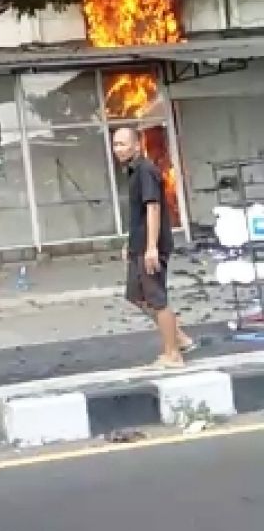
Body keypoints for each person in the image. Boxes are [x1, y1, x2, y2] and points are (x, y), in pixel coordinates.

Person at [111, 127, 197, 368]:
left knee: (157, 298)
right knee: (136, 295)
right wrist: (130, 244)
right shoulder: (133, 171)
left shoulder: (146, 170)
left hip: (152, 245)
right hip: (138, 244)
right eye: (115, 144)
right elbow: (138, 215)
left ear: (137, 145)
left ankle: (173, 354)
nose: (118, 149)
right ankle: (179, 337)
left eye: (123, 144)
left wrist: (151, 248)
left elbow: (153, 208)